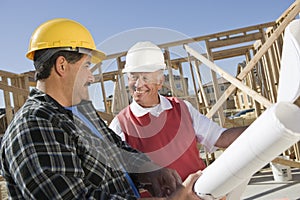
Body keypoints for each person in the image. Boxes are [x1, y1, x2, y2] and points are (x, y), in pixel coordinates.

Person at [0, 18, 203, 200]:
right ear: (62, 65)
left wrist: (149, 171)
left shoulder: (80, 112)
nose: (92, 77)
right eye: (87, 66)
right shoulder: (34, 126)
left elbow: (118, 151)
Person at [109, 41, 247, 189]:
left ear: (160, 81)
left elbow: (220, 137)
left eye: (146, 78)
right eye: (133, 77)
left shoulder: (182, 108)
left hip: (200, 195)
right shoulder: (119, 125)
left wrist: (264, 126)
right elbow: (117, 178)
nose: (138, 84)